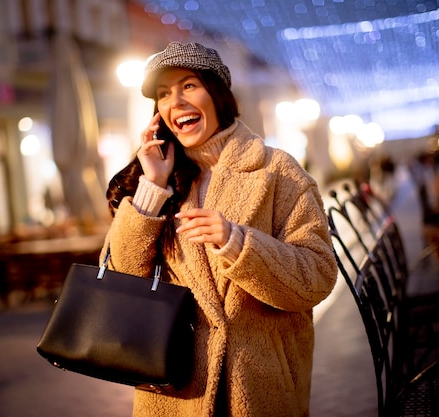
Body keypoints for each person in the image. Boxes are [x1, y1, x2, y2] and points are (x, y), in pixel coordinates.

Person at [102, 42, 337, 417]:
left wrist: (236, 242)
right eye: (164, 94)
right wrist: (152, 188)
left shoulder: (278, 172)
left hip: (261, 388)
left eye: (189, 86)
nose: (175, 101)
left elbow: (317, 277)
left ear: (218, 94)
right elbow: (121, 282)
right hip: (174, 394)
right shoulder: (155, 181)